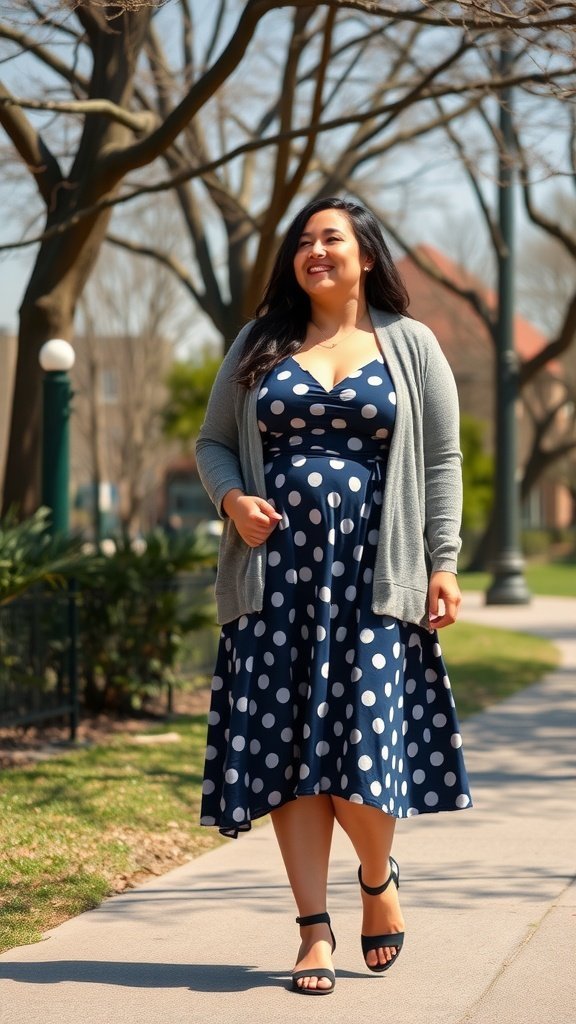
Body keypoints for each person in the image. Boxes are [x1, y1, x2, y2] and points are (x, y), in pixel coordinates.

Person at [195, 196, 472, 995]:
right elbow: (214, 440)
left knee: (365, 743)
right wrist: (232, 501)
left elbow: (441, 461)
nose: (315, 251)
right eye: (304, 242)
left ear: (365, 255)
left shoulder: (410, 346)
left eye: (331, 239)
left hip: (372, 578)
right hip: (274, 578)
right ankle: (312, 929)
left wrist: (442, 562)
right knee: (289, 755)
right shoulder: (258, 342)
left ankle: (377, 878)